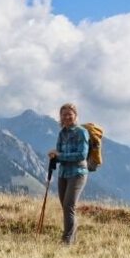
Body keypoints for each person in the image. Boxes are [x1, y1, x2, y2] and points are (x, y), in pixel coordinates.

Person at [47, 103, 89, 244]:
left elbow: (81, 155)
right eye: (64, 114)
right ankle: (72, 239)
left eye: (70, 114)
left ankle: (66, 241)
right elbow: (59, 154)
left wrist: (60, 155)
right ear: (60, 117)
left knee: (69, 206)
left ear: (75, 116)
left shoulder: (81, 132)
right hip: (63, 173)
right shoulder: (62, 133)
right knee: (66, 207)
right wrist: (54, 156)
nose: (67, 117)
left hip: (78, 173)